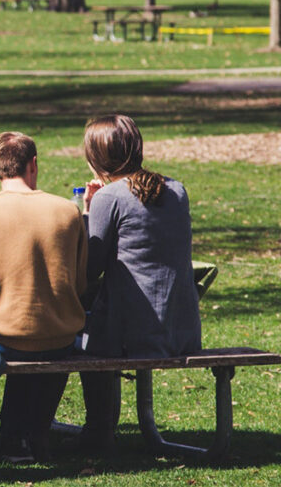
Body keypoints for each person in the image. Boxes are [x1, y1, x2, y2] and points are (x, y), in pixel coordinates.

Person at [0, 131, 88, 463]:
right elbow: (79, 285)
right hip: (61, 336)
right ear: (33, 164)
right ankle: (19, 437)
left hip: (4, 336)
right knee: (31, 334)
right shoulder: (68, 211)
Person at [77, 114, 202, 452]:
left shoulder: (109, 198)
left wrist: (89, 211)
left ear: (96, 158)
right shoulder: (176, 189)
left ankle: (95, 430)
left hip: (131, 334)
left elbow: (90, 270)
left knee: (68, 335)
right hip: (181, 328)